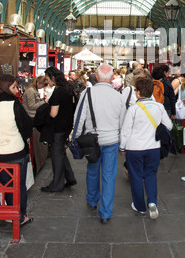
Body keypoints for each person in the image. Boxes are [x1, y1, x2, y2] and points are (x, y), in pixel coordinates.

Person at [74, 64, 124, 224]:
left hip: (92, 141)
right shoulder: (118, 96)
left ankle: (92, 200)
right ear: (111, 77)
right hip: (111, 141)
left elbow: (79, 118)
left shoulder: (87, 93)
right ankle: (105, 213)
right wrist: (122, 143)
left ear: (96, 75)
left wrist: (75, 137)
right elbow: (122, 122)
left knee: (92, 171)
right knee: (109, 176)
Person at [120, 76, 173, 219]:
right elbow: (169, 125)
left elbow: (126, 131)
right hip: (153, 147)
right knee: (150, 174)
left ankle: (140, 206)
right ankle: (152, 202)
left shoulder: (133, 109)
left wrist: (122, 147)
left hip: (134, 148)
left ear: (138, 92)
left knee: (136, 177)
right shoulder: (159, 107)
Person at [0, 74, 33, 226]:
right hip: (14, 154)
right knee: (18, 186)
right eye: (14, 87)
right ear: (6, 88)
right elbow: (26, 128)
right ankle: (19, 217)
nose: (17, 89)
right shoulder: (14, 104)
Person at [41, 66, 76, 192]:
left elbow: (53, 114)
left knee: (57, 155)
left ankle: (57, 184)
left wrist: (46, 107)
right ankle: (69, 177)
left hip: (58, 128)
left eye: (47, 79)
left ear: (53, 78)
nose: (47, 81)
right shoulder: (69, 90)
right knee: (60, 153)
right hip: (67, 126)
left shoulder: (58, 92)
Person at [22, 75, 48, 173]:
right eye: (43, 85)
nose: (44, 87)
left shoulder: (34, 90)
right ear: (38, 83)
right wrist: (44, 102)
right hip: (31, 117)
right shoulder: (30, 91)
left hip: (34, 116)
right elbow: (32, 106)